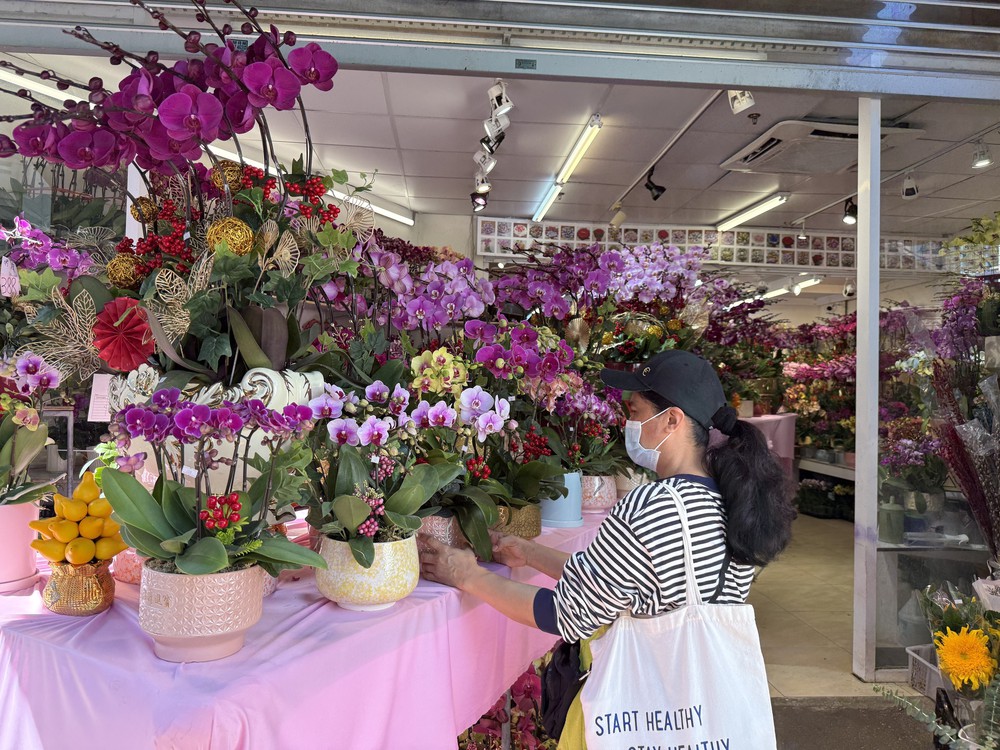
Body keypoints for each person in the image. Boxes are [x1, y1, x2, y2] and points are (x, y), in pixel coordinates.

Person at [418, 349, 796, 744]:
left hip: (647, 713)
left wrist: (467, 576)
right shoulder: (734, 505)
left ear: (672, 420)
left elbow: (565, 615)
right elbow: (631, 578)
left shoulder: (653, 505)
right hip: (707, 712)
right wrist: (528, 553)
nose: (627, 424)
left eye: (634, 412)